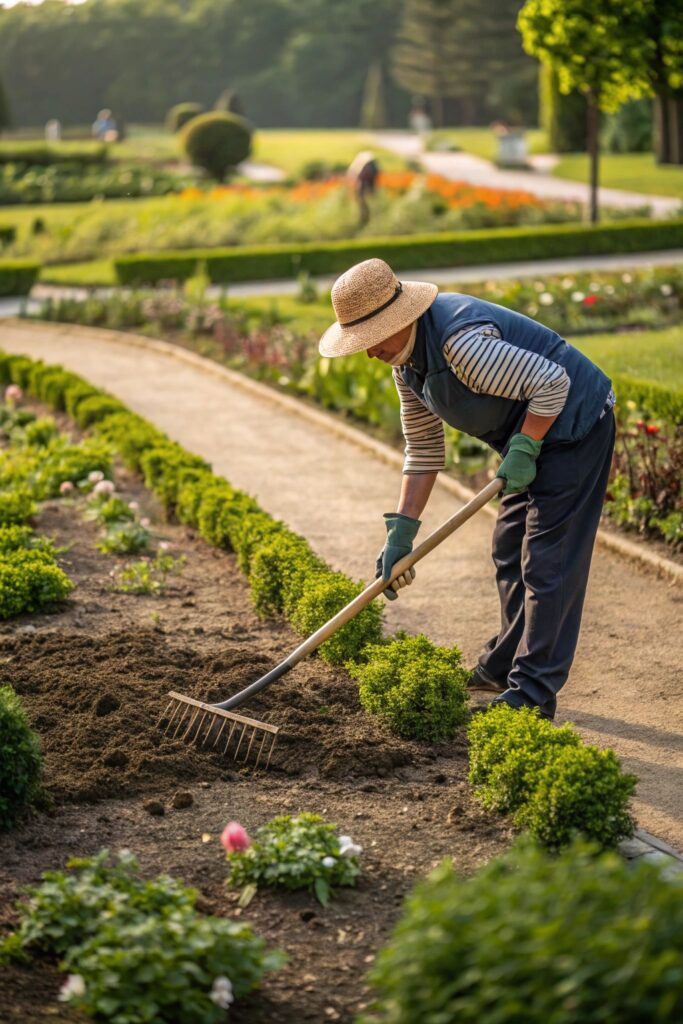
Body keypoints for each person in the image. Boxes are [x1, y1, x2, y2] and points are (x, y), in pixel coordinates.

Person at [318, 259, 616, 721]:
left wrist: (527, 445)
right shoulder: (407, 368)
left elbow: (554, 383)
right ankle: (503, 663)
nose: (367, 351)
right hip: (528, 436)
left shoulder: (461, 345)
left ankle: (533, 691)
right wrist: (401, 534)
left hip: (575, 425)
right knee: (507, 548)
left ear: (399, 319)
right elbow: (422, 451)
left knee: (547, 562)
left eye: (371, 337)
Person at [346, 150, 379, 227]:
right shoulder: (369, 167)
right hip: (364, 190)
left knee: (366, 206)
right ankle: (364, 221)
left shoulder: (368, 167)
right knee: (364, 206)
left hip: (364, 190)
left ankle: (365, 221)